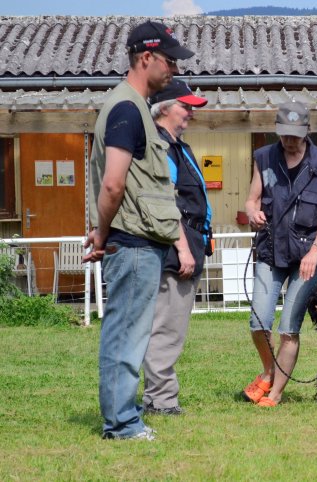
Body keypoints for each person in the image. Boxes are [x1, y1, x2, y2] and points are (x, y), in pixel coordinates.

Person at [83, 21, 194, 440]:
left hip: (136, 242)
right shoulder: (127, 109)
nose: (172, 70)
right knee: (126, 336)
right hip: (130, 244)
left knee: (130, 333)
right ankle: (122, 423)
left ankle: (123, 417)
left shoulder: (132, 106)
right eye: (168, 60)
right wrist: (102, 233)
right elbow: (113, 182)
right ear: (145, 57)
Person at [242, 101, 317, 407]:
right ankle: (270, 370)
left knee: (288, 328)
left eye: (295, 135)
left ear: (307, 131)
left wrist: (315, 250)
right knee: (259, 323)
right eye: (284, 134)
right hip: (271, 250)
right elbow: (251, 200)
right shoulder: (264, 158)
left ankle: (275, 393)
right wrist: (253, 213)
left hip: (308, 257)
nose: (289, 140)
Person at [142, 79, 211, 416]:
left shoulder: (176, 145)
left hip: (187, 245)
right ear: (165, 108)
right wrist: (183, 249)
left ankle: (155, 398)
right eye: (186, 107)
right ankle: (162, 401)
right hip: (175, 249)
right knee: (166, 329)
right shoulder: (158, 146)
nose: (190, 114)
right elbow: (165, 203)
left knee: (168, 326)